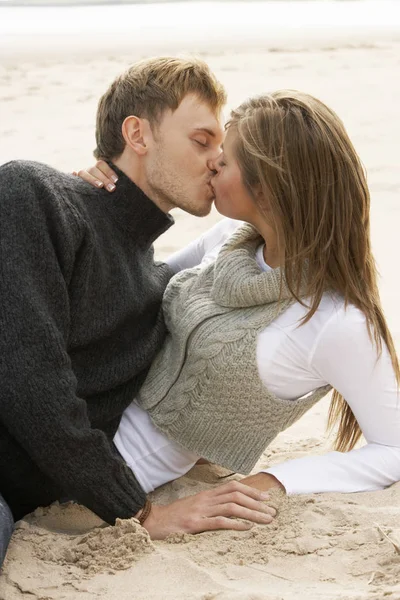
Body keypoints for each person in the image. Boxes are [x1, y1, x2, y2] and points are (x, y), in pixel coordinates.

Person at [78, 90, 400, 539]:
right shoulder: (231, 236)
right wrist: (99, 198)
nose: (212, 164)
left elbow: (392, 448)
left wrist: (276, 480)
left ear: (266, 189)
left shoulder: (335, 321)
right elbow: (139, 283)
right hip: (82, 410)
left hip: (107, 470)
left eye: (224, 160)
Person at [0, 57, 275, 568]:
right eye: (201, 140)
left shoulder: (161, 288)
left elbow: (240, 254)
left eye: (222, 147)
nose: (216, 160)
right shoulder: (34, 194)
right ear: (137, 134)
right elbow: (30, 379)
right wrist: (139, 511)